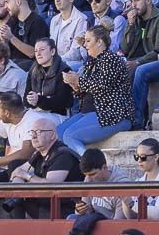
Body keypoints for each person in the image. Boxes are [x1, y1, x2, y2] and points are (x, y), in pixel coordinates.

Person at [57, 26, 133, 154]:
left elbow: (103, 86)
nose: (85, 45)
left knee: (70, 136)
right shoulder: (90, 63)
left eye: (88, 41)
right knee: (58, 134)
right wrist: (75, 86)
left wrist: (78, 80)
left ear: (99, 42)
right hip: (89, 112)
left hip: (112, 114)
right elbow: (85, 90)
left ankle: (90, 165)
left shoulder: (111, 59)